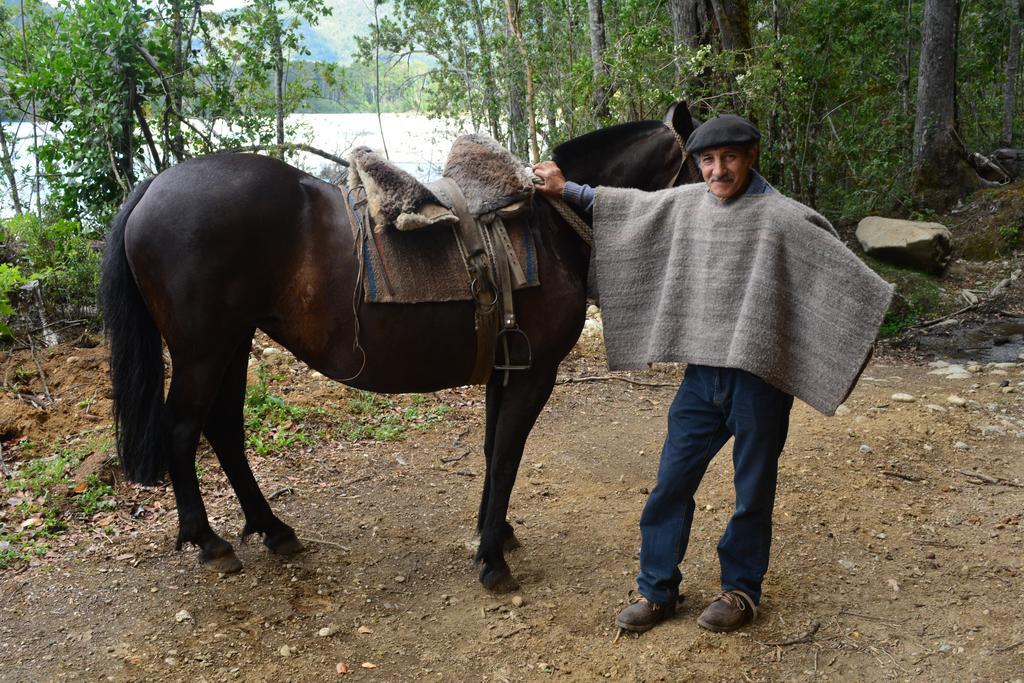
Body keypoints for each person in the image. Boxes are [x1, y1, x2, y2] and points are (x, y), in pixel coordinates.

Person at [531, 115, 892, 634]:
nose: (717, 170)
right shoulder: (687, 206)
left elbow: (845, 279)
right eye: (707, 160)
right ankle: (657, 591)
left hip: (759, 379)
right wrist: (567, 189)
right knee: (670, 485)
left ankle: (741, 590)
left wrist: (855, 323)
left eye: (728, 158)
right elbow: (626, 206)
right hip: (702, 378)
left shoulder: (783, 218)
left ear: (751, 156)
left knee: (753, 489)